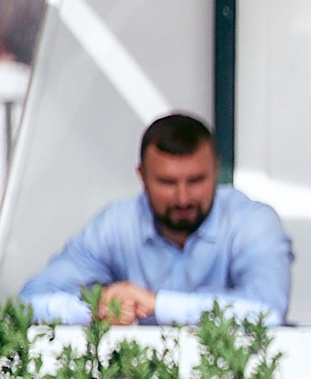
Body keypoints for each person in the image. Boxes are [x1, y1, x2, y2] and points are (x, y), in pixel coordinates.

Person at [21, 112, 291, 325]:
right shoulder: (117, 225)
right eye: (167, 183)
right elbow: (29, 301)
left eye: (196, 181)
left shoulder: (251, 222)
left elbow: (267, 310)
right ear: (142, 176)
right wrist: (98, 308)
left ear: (216, 170)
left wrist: (155, 304)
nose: (183, 198)